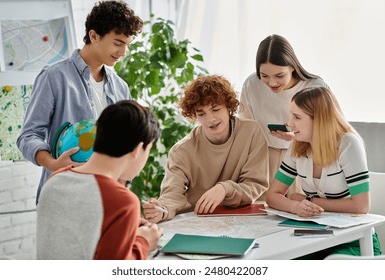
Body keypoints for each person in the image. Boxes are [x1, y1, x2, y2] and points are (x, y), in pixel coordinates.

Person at [16, 0, 143, 202]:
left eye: (127, 45)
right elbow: (28, 136)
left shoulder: (121, 87)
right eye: (118, 43)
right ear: (93, 36)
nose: (123, 52)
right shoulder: (54, 77)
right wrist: (53, 163)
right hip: (64, 194)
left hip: (105, 196)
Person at [36, 100, 163, 260]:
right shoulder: (122, 201)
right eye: (148, 151)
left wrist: (118, 224)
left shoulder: (55, 180)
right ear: (138, 150)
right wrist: (143, 241)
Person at [266, 86, 382, 258]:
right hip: (314, 239)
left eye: (297, 117)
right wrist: (295, 206)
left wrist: (309, 200)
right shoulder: (297, 146)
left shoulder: (348, 144)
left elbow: (361, 206)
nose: (289, 123)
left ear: (319, 120)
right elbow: (272, 195)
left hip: (354, 240)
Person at [143, 75, 269, 223]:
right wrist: (162, 210)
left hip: (243, 220)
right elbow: (172, 194)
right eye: (201, 114)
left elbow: (255, 184)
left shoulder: (251, 132)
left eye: (215, 109)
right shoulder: (182, 151)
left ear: (229, 107)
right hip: (199, 222)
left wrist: (224, 189)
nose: (210, 119)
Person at [239, 34, 330, 197]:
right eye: (265, 76)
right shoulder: (252, 84)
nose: (272, 83)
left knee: (302, 210)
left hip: (303, 157)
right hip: (263, 159)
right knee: (262, 214)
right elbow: (244, 126)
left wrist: (296, 138)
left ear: (292, 67)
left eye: (279, 76)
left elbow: (330, 133)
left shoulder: (314, 87)